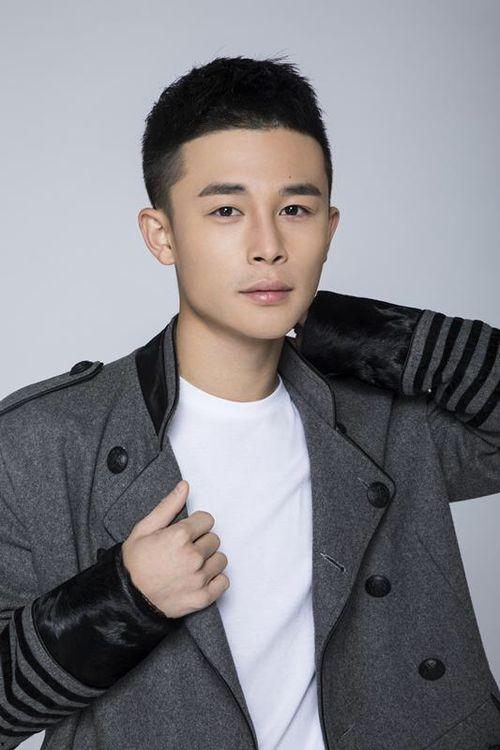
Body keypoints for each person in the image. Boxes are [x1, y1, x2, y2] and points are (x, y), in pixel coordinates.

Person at [0, 54, 499, 750]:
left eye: (295, 209)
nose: (268, 247)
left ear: (329, 227)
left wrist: (364, 332)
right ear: (162, 235)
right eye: (227, 211)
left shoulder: (386, 418)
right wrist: (121, 601)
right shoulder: (43, 442)